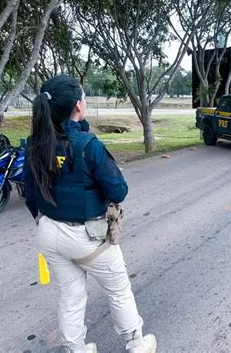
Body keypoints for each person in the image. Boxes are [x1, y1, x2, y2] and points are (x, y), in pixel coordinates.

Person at [23, 75, 156, 353]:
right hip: (87, 238)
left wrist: (44, 218)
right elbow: (118, 191)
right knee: (119, 290)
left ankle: (76, 349)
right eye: (83, 97)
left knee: (70, 297)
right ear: (78, 106)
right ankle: (136, 344)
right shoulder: (88, 145)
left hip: (49, 234)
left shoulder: (35, 143)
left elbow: (30, 193)